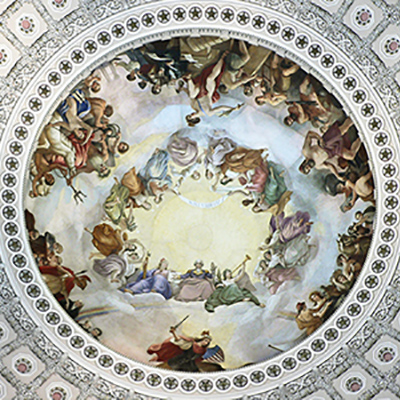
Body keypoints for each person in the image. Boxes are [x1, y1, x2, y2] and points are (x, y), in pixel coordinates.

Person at [147, 328, 216, 372]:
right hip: (178, 361)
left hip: (190, 363)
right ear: (201, 339)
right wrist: (174, 333)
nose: (206, 343)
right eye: (205, 340)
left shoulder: (203, 350)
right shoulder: (191, 344)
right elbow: (179, 341)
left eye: (207, 342)